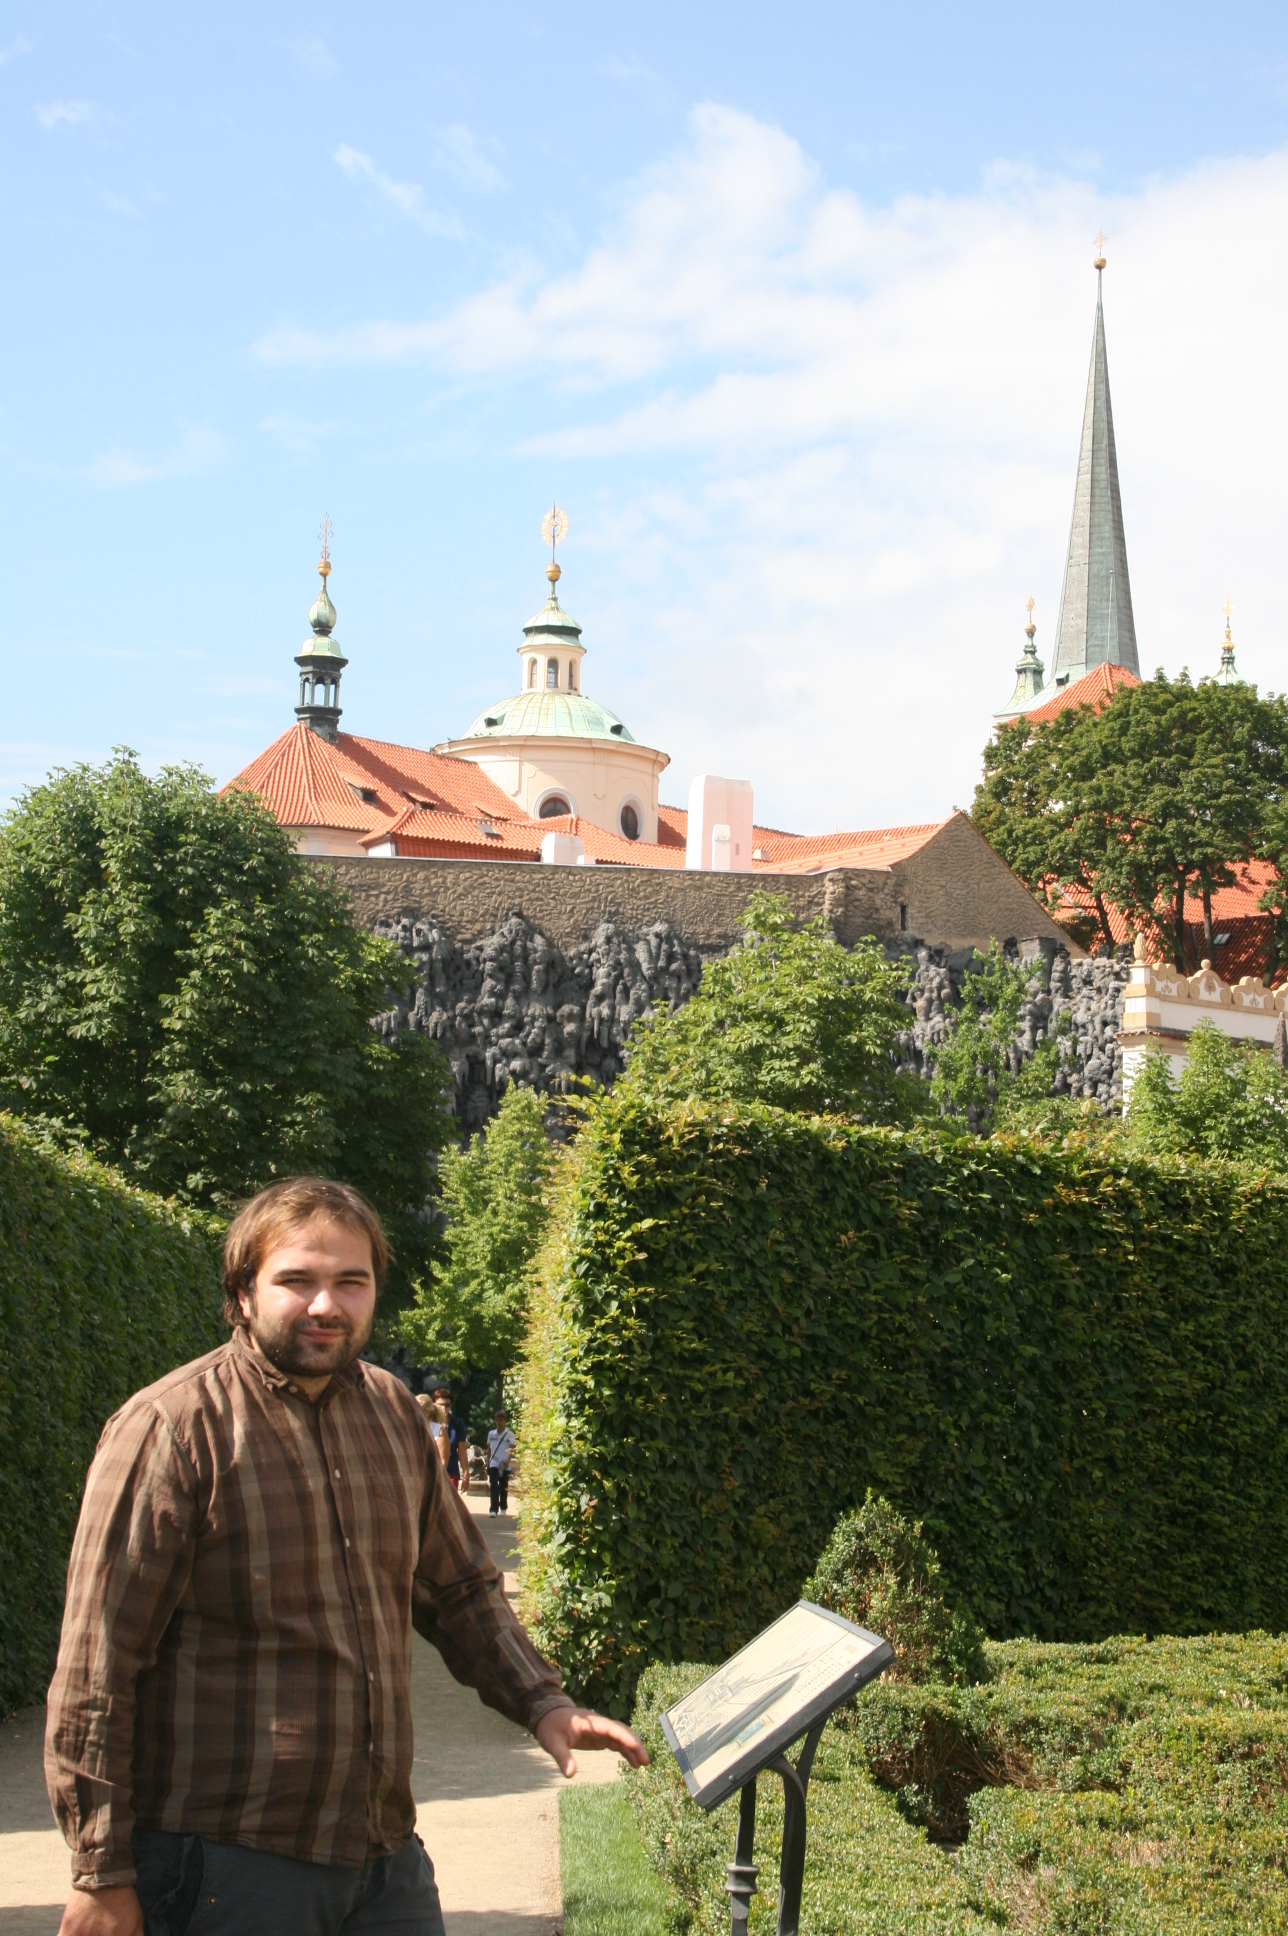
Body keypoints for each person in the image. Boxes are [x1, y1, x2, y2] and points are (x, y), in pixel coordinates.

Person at [45, 1175, 646, 1936]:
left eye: (351, 1282)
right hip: (225, 1866)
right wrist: (100, 1872)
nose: (326, 1305)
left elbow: (460, 1589)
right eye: (296, 1280)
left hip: (383, 1860)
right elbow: (99, 1665)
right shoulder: (171, 1430)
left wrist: (543, 1702)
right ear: (242, 1294)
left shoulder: (392, 1413)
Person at [432, 1384, 469, 1494]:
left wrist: (466, 1474)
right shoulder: (429, 1423)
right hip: (431, 1472)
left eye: (447, 1405)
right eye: (440, 1405)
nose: (444, 1408)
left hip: (451, 1472)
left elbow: (462, 1450)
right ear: (434, 1404)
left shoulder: (457, 1423)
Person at [486, 1410, 517, 1516]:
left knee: (503, 1486)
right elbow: (489, 1449)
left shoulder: (510, 1434)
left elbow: (513, 1449)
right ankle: (493, 1509)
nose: (499, 1422)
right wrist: (487, 1462)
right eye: (497, 1420)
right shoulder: (491, 1434)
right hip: (494, 1462)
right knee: (494, 1485)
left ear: (505, 1421)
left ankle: (503, 1507)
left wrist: (508, 1459)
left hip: (504, 1463)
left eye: (501, 1420)